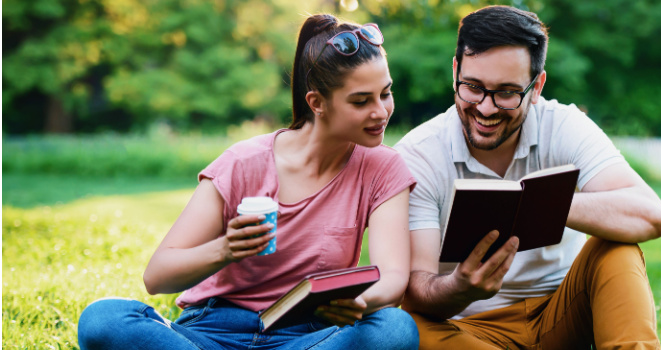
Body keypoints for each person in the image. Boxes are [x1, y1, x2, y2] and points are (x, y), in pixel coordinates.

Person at [78, 14, 418, 350]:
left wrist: (362, 302)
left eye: (385, 94)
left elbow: (393, 277)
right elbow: (157, 277)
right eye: (361, 101)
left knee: (395, 328)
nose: (381, 112)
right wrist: (225, 249)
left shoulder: (383, 168)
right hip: (212, 331)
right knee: (103, 319)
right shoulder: (243, 162)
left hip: (308, 336)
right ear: (317, 103)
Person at [394, 5, 661, 350]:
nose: (486, 108)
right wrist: (459, 288)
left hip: (561, 315)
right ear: (455, 72)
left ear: (536, 86)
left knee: (615, 247)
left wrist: (544, 203)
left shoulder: (564, 126)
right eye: (473, 87)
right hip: (467, 331)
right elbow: (416, 288)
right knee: (402, 328)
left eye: (507, 92)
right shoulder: (419, 154)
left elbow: (652, 216)